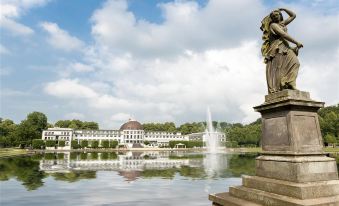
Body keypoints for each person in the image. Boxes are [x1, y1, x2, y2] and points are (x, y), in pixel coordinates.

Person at [260, 8, 303, 94]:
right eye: (273, 16)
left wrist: (283, 9)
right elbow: (283, 34)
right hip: (277, 48)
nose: (276, 17)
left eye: (277, 15)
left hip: (285, 47)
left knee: (295, 63)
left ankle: (289, 82)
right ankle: (283, 84)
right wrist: (296, 42)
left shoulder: (282, 24)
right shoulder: (273, 25)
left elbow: (293, 15)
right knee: (279, 68)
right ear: (272, 18)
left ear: (280, 15)